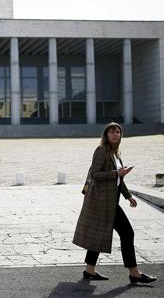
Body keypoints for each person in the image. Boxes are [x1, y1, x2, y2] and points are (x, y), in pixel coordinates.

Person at [73, 122, 157, 284]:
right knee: (127, 233)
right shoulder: (101, 151)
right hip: (101, 202)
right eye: (111, 132)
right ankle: (134, 273)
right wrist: (116, 172)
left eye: (118, 132)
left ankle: (89, 271)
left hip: (111, 201)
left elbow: (119, 179)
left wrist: (128, 196)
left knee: (99, 234)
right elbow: (95, 174)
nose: (115, 134)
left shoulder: (116, 154)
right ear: (106, 135)